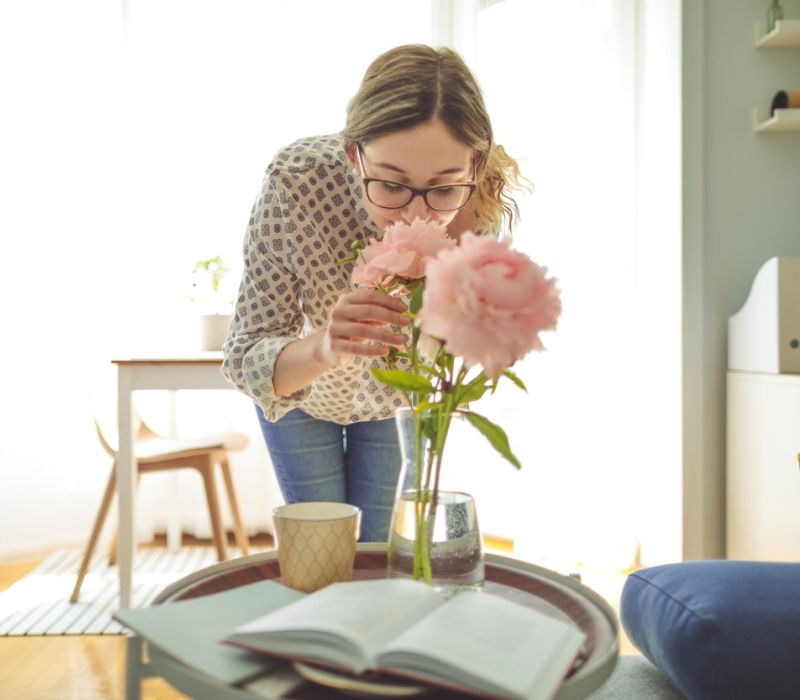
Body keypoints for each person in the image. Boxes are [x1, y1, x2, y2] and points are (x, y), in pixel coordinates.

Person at [221, 44, 527, 542]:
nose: (415, 214)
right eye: (390, 184)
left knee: (383, 555)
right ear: (353, 154)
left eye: (444, 189)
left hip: (398, 399)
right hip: (301, 395)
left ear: (474, 165)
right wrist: (325, 345)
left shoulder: (479, 212)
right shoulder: (296, 181)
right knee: (323, 552)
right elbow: (245, 356)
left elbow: (470, 345)